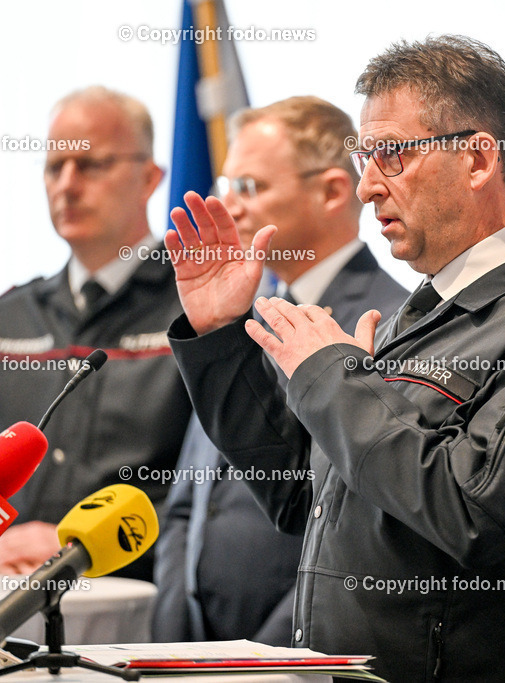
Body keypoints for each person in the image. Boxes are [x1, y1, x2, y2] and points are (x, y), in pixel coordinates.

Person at [166, 36, 505, 681]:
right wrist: (222, 337)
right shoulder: (417, 316)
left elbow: (473, 511)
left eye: (389, 154)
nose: (367, 187)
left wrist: (334, 378)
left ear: (477, 159)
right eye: (365, 157)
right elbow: (302, 496)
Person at [151, 96, 407, 645]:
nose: (229, 205)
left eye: (251, 187)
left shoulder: (389, 321)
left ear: (334, 190)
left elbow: (355, 517)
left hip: (296, 655)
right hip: (192, 643)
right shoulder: (232, 313)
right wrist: (174, 625)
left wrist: (271, 657)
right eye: (227, 183)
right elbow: (187, 500)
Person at [0, 86, 190, 581]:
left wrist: (73, 547)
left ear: (149, 177)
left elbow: (221, 496)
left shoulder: (196, 314)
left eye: (91, 165)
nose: (67, 185)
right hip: (0, 603)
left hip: (146, 610)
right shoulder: (4, 319)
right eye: (54, 167)